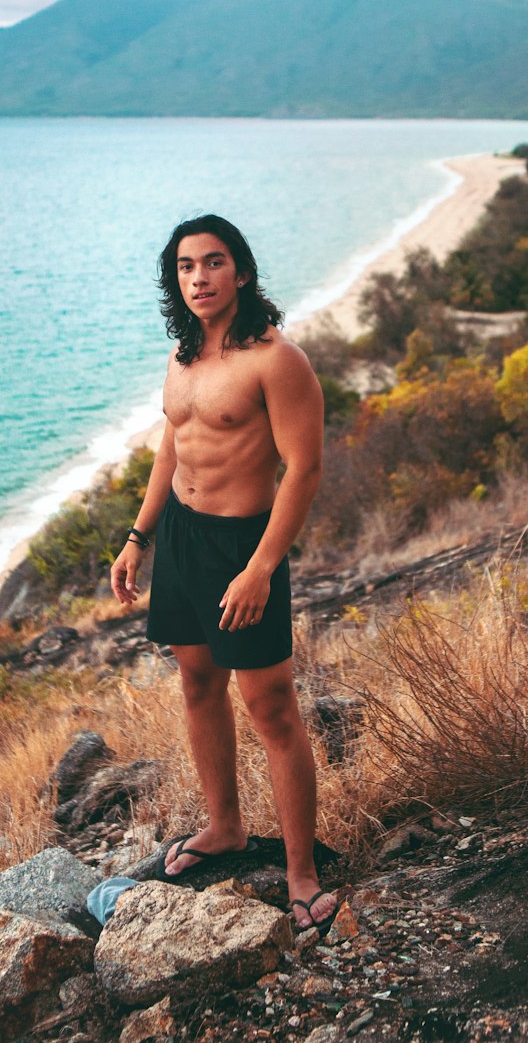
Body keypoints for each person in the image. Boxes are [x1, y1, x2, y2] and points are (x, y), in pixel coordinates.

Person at [109, 213, 338, 936]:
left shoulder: (278, 360)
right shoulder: (180, 357)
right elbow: (172, 449)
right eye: (185, 267)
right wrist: (138, 537)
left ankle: (303, 875)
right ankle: (226, 828)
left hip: (244, 545)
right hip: (180, 537)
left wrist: (261, 567)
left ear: (241, 272)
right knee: (198, 682)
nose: (199, 278)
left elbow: (304, 469)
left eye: (213, 263)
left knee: (271, 708)